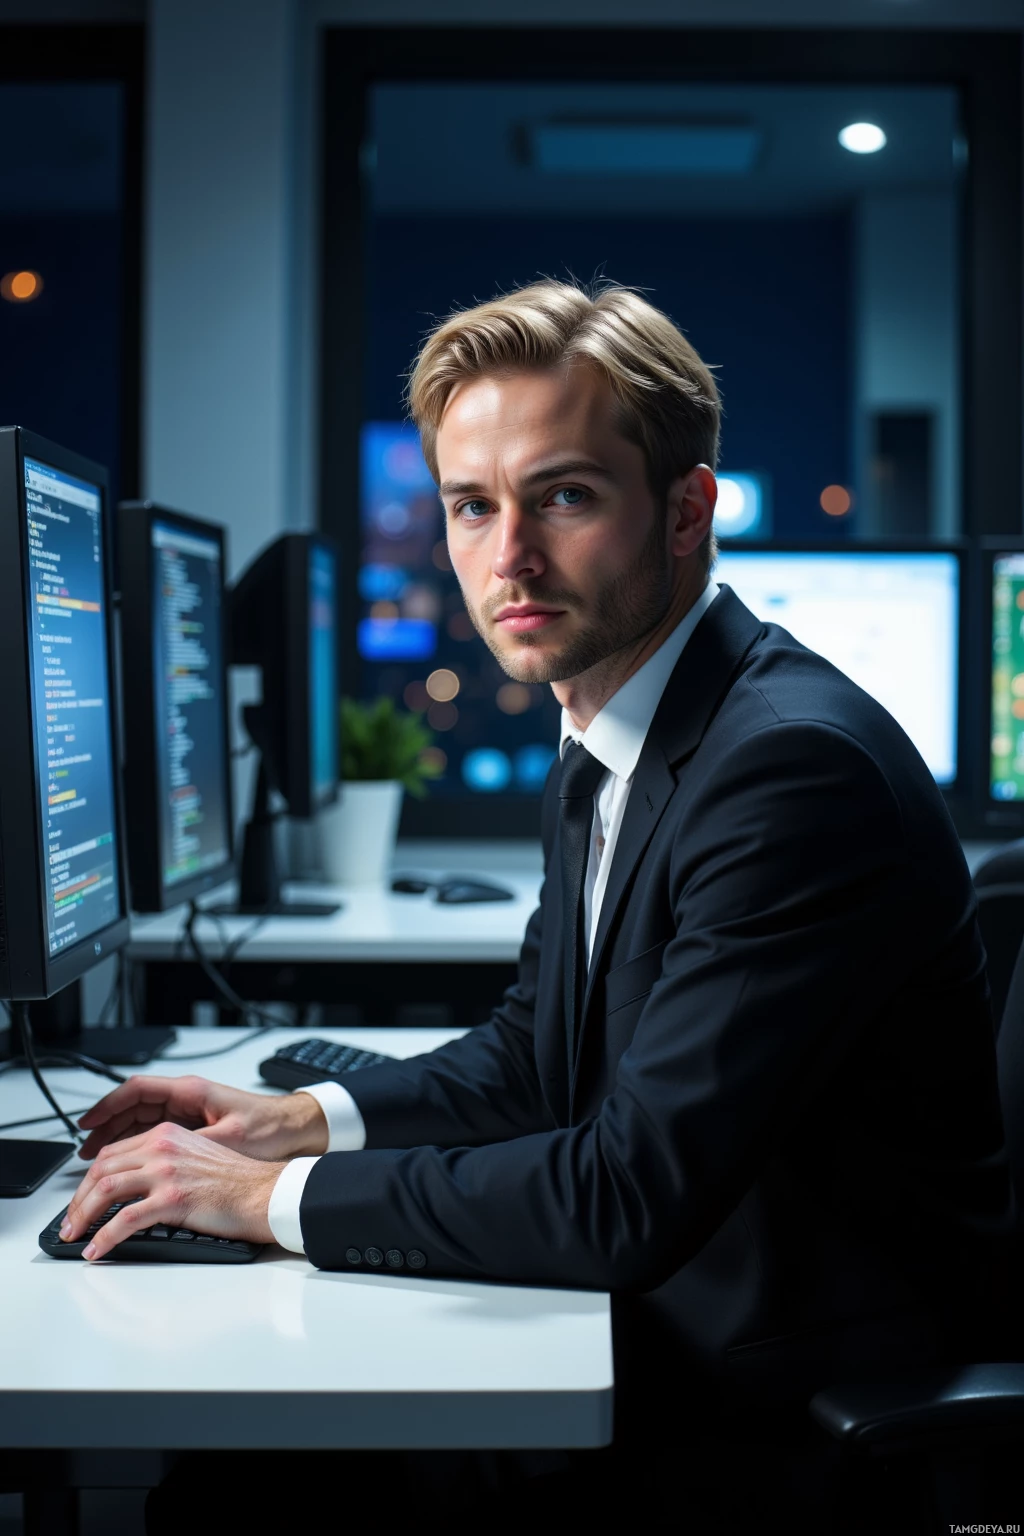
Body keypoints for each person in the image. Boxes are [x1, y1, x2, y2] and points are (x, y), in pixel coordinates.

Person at [64, 280, 1013, 1525]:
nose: (505, 557)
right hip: (668, 1324)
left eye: (563, 496)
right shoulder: (618, 733)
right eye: (470, 505)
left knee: (251, 1479)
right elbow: (536, 1056)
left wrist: (261, 1205)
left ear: (687, 511)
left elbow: (625, 1194)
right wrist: (290, 1122)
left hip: (769, 1402)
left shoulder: (787, 768)